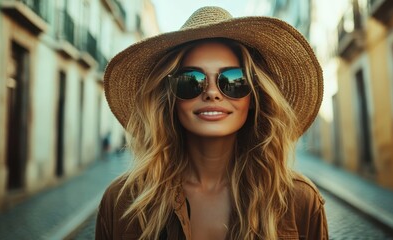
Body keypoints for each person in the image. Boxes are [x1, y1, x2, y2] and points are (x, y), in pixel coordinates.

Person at [96, 6, 327, 240]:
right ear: (170, 98)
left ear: (255, 96)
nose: (212, 93)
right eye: (191, 80)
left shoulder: (300, 200)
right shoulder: (120, 202)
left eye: (233, 79)